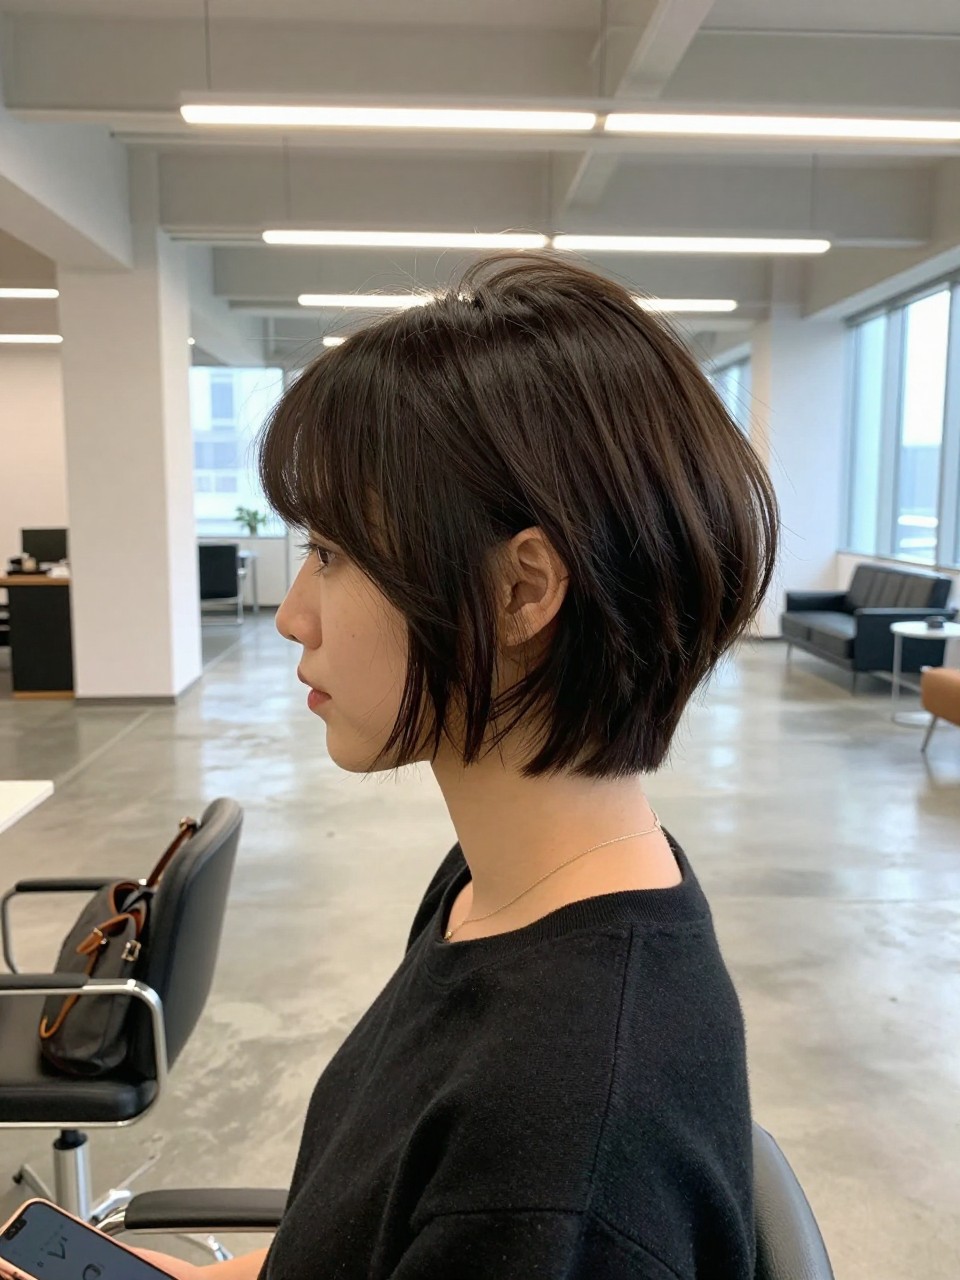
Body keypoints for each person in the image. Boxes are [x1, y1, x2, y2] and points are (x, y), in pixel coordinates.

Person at [141, 254, 778, 1278]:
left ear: (522, 591)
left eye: (335, 554)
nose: (293, 614)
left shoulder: (557, 1149)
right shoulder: (497, 887)